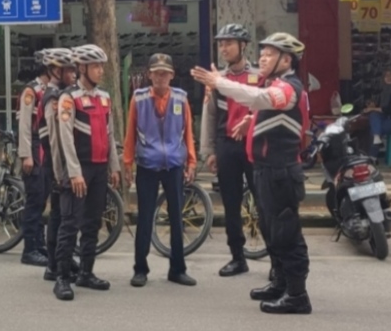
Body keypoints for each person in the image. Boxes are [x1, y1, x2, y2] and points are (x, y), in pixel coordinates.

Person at [192, 32, 312, 315]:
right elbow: (263, 106)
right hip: (266, 170)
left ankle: (297, 295)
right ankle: (281, 284)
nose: (263, 58)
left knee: (286, 233)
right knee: (272, 229)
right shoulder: (276, 84)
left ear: (287, 60)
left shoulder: (289, 87)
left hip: (280, 172)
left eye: (270, 54)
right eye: (262, 53)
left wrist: (219, 82)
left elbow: (257, 98)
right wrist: (252, 121)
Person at [52, 44, 121, 301]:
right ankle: (62, 278)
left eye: (102, 66)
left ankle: (86, 272)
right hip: (79, 170)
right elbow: (65, 138)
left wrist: (114, 166)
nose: (100, 70)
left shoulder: (104, 97)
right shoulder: (69, 98)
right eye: (95, 66)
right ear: (82, 68)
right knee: (70, 223)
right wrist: (74, 172)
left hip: (99, 169)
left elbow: (110, 134)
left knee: (93, 223)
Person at [123, 53, 197, 288]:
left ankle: (178, 269)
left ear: (172, 75)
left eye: (165, 73)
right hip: (147, 164)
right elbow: (130, 133)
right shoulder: (139, 98)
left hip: (174, 164)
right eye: (156, 73)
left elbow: (188, 132)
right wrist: (127, 163)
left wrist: (192, 162)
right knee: (145, 217)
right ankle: (140, 269)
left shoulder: (181, 98)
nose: (160, 77)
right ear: (149, 75)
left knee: (176, 218)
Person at [199, 23, 260, 277]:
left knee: (264, 202)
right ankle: (237, 257)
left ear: (243, 45)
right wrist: (210, 150)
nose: (224, 48)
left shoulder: (259, 75)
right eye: (221, 44)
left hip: (255, 145)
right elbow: (210, 115)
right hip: (227, 146)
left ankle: (278, 262)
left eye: (229, 43)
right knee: (231, 205)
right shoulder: (217, 80)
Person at [40, 48, 78, 281]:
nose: (73, 74)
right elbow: (54, 139)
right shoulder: (53, 98)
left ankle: (61, 259)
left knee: (61, 214)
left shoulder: (61, 94)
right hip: (54, 164)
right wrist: (59, 173)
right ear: (55, 71)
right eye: (68, 70)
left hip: (57, 163)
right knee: (58, 216)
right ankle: (53, 265)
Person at [17, 49, 56, 266]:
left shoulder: (49, 90)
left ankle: (39, 245)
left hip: (43, 148)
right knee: (34, 201)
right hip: (33, 148)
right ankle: (29, 249)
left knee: (42, 199)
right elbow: (24, 125)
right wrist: (26, 155)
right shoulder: (31, 91)